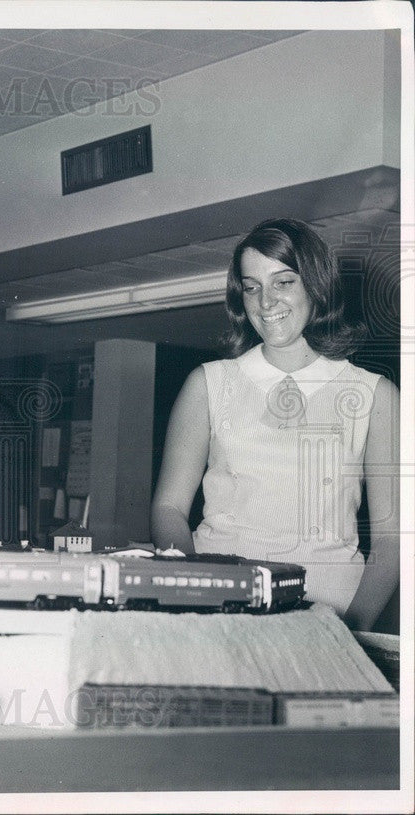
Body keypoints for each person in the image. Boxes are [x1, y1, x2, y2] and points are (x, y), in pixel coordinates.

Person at [151, 218, 399, 631]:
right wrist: (194, 594)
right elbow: (168, 508)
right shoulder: (210, 384)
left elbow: (393, 538)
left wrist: (350, 630)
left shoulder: (375, 395)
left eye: (283, 282)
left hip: (332, 607)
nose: (266, 302)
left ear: (316, 286)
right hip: (222, 604)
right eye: (252, 287)